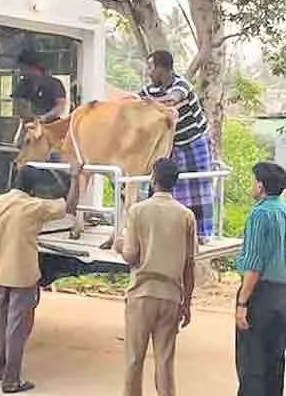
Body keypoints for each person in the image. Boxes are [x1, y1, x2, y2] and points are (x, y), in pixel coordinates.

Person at [0, 164, 81, 394]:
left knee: (2, 322)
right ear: (32, 188)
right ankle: (11, 380)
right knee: (17, 327)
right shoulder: (33, 206)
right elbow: (69, 207)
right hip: (23, 276)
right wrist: (76, 178)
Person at [114, 158, 196, 396]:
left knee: (134, 360)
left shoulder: (138, 211)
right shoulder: (186, 215)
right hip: (171, 296)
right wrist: (187, 302)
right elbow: (189, 265)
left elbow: (131, 256)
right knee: (165, 361)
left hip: (142, 294)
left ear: (153, 179)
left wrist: (119, 245)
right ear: (175, 183)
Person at [140, 50, 214, 245]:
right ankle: (173, 231)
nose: (149, 72)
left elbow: (172, 99)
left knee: (198, 187)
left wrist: (151, 103)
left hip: (194, 141)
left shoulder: (181, 85)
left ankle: (201, 233)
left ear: (162, 68)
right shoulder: (151, 90)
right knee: (172, 188)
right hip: (171, 145)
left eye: (151, 67)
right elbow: (136, 101)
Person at [234, 162, 286, 396]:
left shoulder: (259, 214)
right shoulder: (283, 212)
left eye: (254, 180)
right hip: (282, 295)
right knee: (275, 360)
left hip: (261, 294)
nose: (252, 185)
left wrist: (243, 301)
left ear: (261, 186)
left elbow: (254, 264)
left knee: (253, 362)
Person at [12, 51, 67, 124]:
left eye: (23, 68)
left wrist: (45, 117)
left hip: (52, 125)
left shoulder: (54, 84)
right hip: (29, 125)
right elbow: (18, 103)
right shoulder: (23, 84)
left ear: (34, 68)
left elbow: (60, 105)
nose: (21, 72)